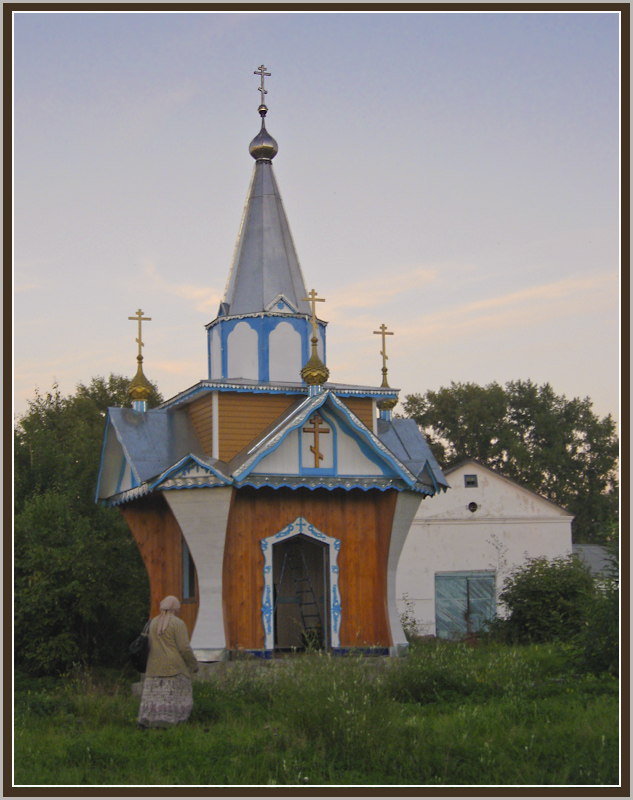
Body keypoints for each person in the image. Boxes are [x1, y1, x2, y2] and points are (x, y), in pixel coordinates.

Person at [137, 595, 199, 729]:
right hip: (173, 669)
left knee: (153, 698)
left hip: (153, 668)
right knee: (175, 697)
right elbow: (184, 648)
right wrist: (193, 665)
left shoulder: (151, 623)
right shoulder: (178, 623)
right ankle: (172, 723)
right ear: (175, 608)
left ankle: (147, 722)